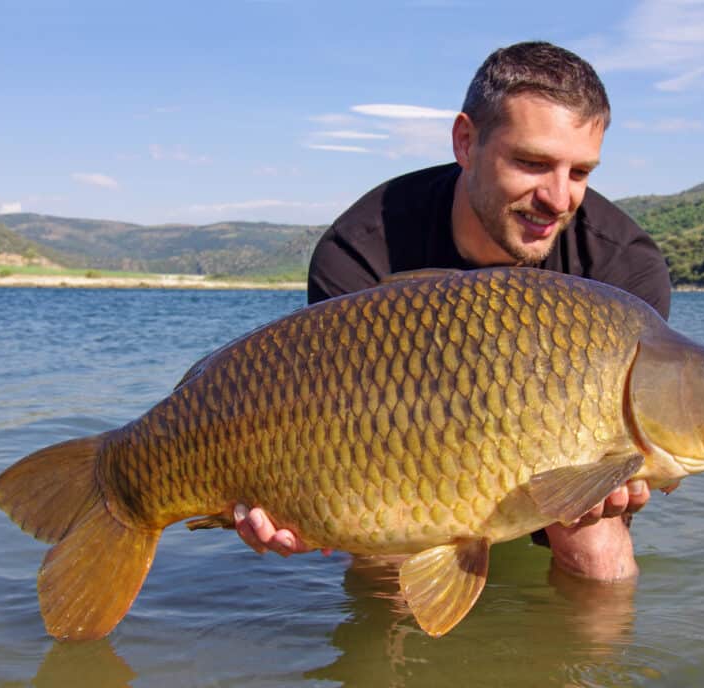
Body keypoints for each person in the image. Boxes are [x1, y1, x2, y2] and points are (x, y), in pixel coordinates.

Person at [234, 41, 673, 581]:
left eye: (580, 172)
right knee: (384, 549)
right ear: (466, 141)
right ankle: (384, 663)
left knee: (599, 553)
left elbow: (653, 433)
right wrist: (307, 506)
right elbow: (332, 428)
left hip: (560, 465)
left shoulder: (623, 265)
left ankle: (591, 668)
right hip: (405, 458)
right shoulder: (361, 250)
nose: (559, 199)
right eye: (533, 163)